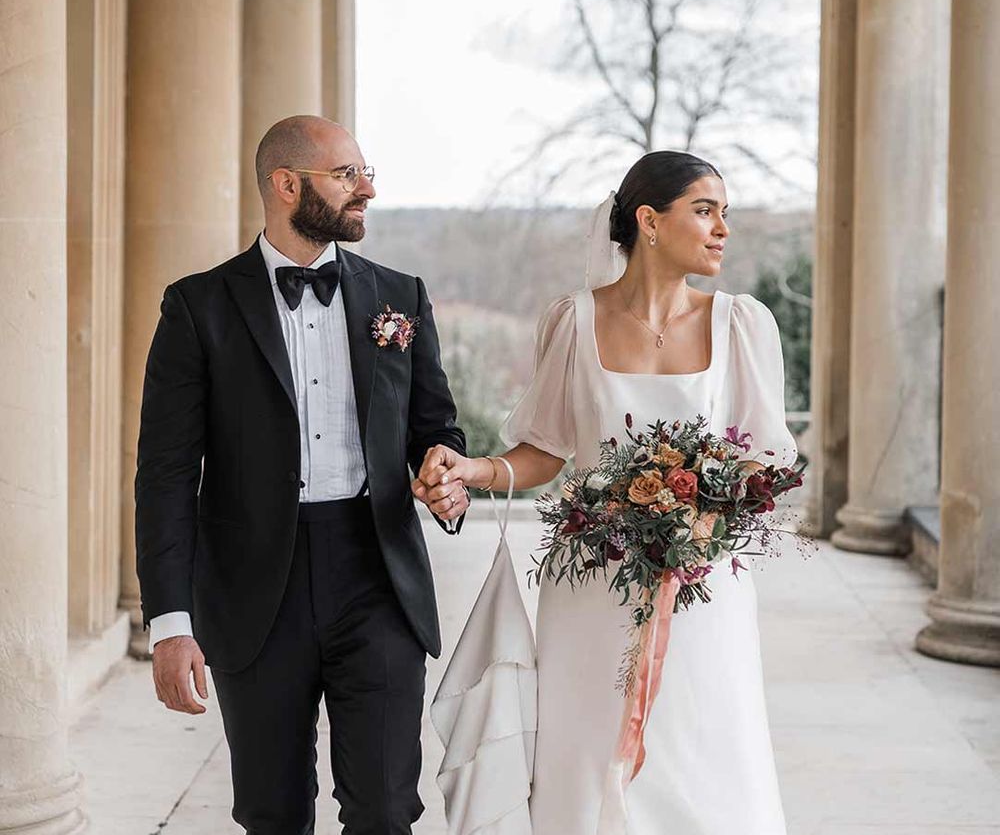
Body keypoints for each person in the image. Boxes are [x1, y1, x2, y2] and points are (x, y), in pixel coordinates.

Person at [414, 151, 797, 834]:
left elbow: (763, 463)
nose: (722, 230)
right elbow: (546, 451)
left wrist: (703, 512)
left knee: (700, 749)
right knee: (585, 750)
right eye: (705, 211)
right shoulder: (572, 321)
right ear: (649, 221)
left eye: (725, 214)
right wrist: (474, 471)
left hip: (701, 589)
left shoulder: (742, 324)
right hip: (591, 586)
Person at [134, 115, 471, 835]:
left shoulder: (399, 297)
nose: (369, 189)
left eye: (364, 170)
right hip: (255, 588)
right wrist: (170, 622)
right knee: (272, 812)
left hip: (375, 574)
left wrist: (445, 469)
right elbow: (164, 476)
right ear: (288, 186)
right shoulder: (197, 307)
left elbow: (434, 429)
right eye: (348, 174)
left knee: (384, 809)